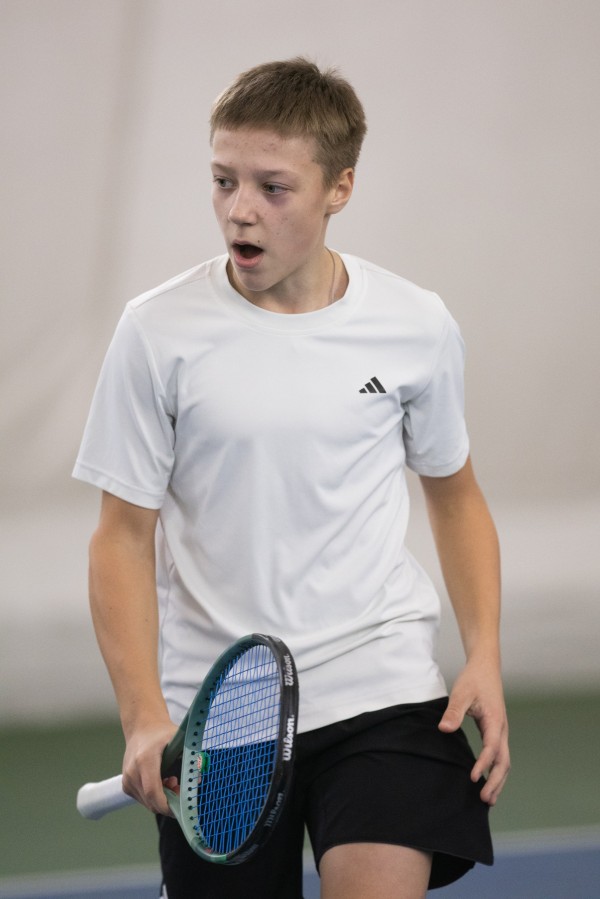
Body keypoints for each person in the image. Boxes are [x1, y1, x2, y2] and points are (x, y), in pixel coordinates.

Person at [73, 58, 510, 899]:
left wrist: (483, 654)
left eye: (273, 187)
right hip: (220, 713)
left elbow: (456, 498)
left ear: (339, 187)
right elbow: (121, 537)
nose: (240, 208)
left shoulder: (413, 323)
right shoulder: (156, 332)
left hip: (381, 685)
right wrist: (143, 716)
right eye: (223, 179)